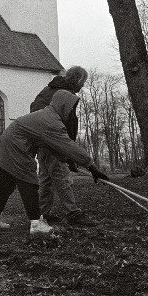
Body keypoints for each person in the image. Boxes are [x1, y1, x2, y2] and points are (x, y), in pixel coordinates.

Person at [0, 90, 110, 235]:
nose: (71, 112)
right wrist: (91, 166)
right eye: (70, 108)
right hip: (16, 146)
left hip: (8, 142)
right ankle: (36, 223)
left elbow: (54, 146)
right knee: (29, 182)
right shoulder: (51, 122)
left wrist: (68, 160)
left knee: (4, 184)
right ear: (63, 106)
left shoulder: (48, 115)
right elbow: (68, 145)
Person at [29, 66, 94, 226]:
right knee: (62, 176)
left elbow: (33, 109)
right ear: (78, 80)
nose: (83, 85)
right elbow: (69, 125)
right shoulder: (66, 95)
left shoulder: (47, 90)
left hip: (40, 141)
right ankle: (72, 213)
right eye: (83, 82)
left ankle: (43, 214)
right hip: (53, 141)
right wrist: (69, 154)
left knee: (46, 178)